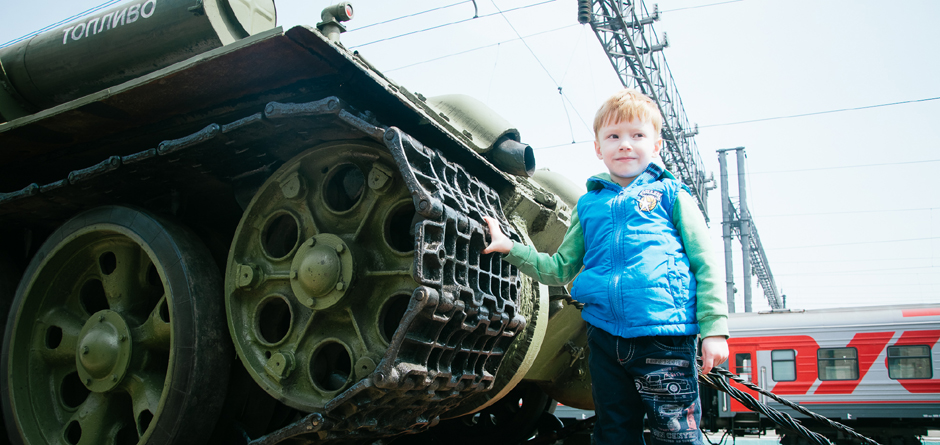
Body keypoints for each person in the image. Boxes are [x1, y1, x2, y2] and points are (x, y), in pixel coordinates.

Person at [483, 88, 729, 444]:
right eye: (613, 136)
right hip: (605, 340)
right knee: (613, 431)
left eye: (637, 135)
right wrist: (511, 249)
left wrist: (715, 329)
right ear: (599, 148)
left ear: (656, 145)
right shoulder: (588, 206)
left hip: (664, 336)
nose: (625, 144)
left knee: (676, 432)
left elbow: (704, 263)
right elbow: (559, 269)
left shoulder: (672, 195)